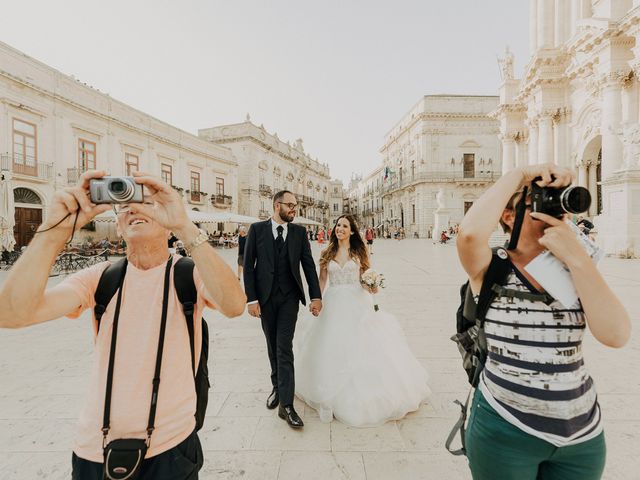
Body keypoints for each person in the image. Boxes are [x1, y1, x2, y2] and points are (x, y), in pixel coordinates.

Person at [0, 170, 246, 479]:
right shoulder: (100, 277)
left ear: (166, 222)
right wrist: (52, 233)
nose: (133, 208)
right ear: (117, 225)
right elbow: (11, 313)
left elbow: (235, 305)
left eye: (145, 204)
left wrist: (185, 225)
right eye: (124, 206)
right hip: (94, 448)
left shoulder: (188, 274)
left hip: (172, 446)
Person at [456, 164, 631, 480]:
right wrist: (521, 175)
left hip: (581, 435)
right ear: (509, 217)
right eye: (538, 202)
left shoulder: (576, 266)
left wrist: (576, 258)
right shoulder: (493, 267)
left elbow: (616, 334)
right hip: (505, 425)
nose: (555, 209)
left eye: (557, 200)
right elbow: (468, 234)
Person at [294, 215, 430, 426]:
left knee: (362, 344)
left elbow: (366, 279)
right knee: (332, 344)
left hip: (357, 302)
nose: (340, 228)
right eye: (338, 225)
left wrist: (372, 286)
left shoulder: (359, 252)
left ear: (351, 231)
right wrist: (317, 300)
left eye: (345, 226)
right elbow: (322, 280)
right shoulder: (326, 252)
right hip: (333, 302)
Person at [243, 190, 322, 429]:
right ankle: (277, 387)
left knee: (283, 347)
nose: (294, 210)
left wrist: (316, 295)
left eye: (295, 206)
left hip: (289, 298)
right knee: (272, 345)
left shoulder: (299, 233)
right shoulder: (257, 230)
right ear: (277, 206)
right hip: (265, 300)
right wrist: (251, 300)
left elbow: (308, 265)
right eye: (290, 205)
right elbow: (248, 266)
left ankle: (286, 405)